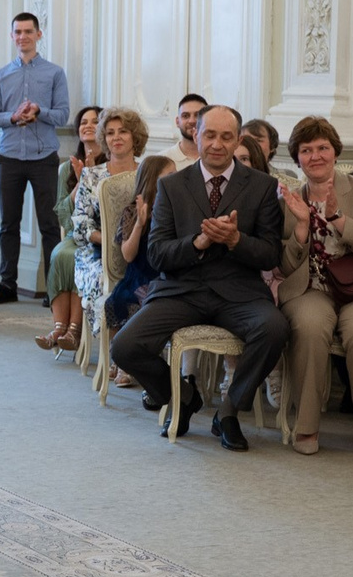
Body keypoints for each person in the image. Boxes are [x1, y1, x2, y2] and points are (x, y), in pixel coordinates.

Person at [107, 105, 288, 452]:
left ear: (238, 139)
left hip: (239, 291)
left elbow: (270, 254)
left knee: (274, 328)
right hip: (182, 289)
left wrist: (236, 240)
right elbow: (157, 254)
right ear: (196, 134)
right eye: (210, 135)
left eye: (226, 137)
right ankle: (183, 397)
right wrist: (197, 243)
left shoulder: (262, 186)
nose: (217, 144)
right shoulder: (172, 186)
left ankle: (229, 411)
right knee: (125, 347)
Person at [274, 118, 353, 457]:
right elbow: (285, 267)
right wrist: (302, 227)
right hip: (310, 289)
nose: (315, 156)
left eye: (322, 148)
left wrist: (339, 219)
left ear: (335, 151)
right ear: (297, 158)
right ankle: (306, 425)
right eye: (306, 150)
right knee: (310, 327)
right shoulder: (289, 199)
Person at [0, 11, 68, 305]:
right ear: (12, 36)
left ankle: (54, 288)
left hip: (44, 157)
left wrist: (39, 111)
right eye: (17, 32)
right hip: (9, 157)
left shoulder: (55, 73)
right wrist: (13, 117)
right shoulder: (2, 75)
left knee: (49, 225)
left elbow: (63, 114)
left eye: (28, 31)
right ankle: (8, 285)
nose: (23, 37)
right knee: (9, 224)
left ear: (38, 35)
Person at [102, 154, 177, 385]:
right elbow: (128, 255)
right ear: (153, 181)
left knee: (151, 303)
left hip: (163, 276)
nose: (175, 180)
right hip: (138, 274)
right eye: (169, 176)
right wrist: (140, 224)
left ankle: (136, 362)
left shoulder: (176, 209)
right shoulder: (132, 211)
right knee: (118, 301)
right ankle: (119, 358)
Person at [73, 108, 143, 352]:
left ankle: (139, 349)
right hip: (97, 252)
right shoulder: (91, 175)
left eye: (123, 131)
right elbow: (80, 222)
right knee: (106, 281)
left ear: (135, 136)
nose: (116, 137)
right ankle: (117, 353)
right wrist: (109, 242)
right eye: (110, 133)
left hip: (140, 250)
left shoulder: (146, 173)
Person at [39, 106, 103, 351]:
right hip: (75, 233)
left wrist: (91, 178)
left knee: (78, 257)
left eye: (95, 121)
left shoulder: (112, 165)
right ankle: (59, 328)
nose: (88, 126)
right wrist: (80, 182)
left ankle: (74, 330)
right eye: (84, 122)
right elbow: (64, 216)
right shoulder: (67, 168)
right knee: (60, 254)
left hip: (99, 234)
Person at [166, 94, 209, 164]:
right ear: (177, 122)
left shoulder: (218, 159)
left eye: (198, 115)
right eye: (185, 116)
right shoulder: (164, 159)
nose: (192, 121)